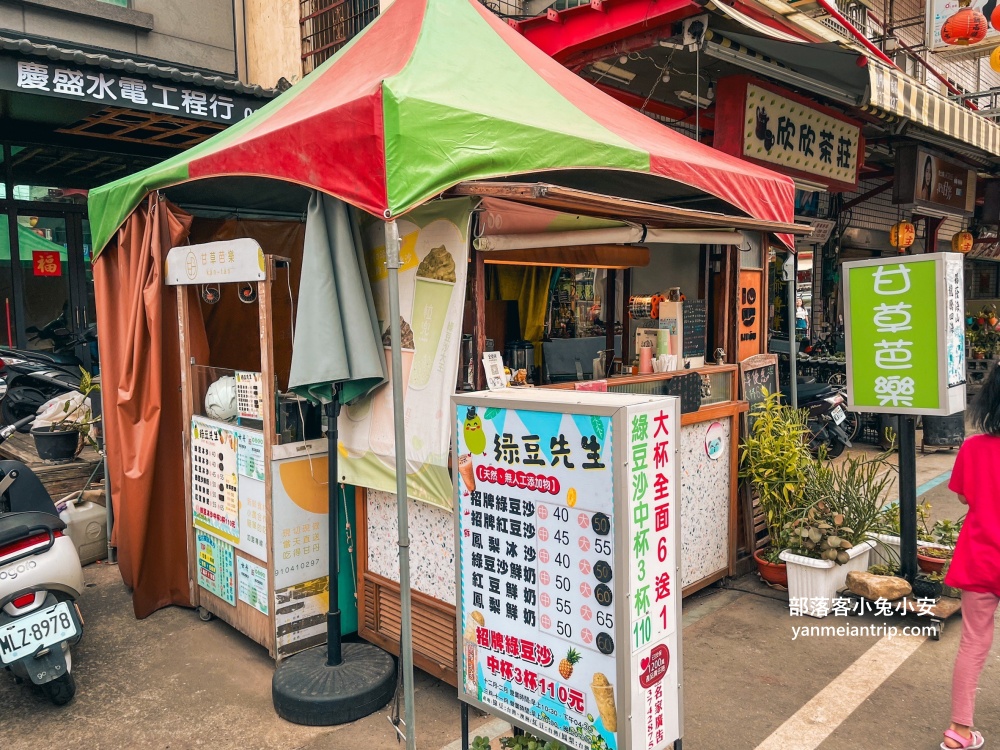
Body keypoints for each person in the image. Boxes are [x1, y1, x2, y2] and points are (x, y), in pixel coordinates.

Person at [941, 362, 1000, 749]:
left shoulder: (974, 447)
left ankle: (959, 732)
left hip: (981, 557)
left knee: (974, 642)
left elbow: (964, 495)